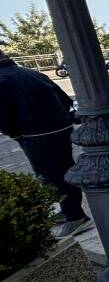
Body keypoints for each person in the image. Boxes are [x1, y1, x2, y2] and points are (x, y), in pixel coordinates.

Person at [0, 49, 90, 238]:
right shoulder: (31, 73)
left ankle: (75, 216)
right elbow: (64, 98)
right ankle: (70, 209)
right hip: (60, 127)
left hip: (34, 134)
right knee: (65, 169)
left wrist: (15, 134)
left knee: (51, 177)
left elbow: (3, 117)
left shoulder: (3, 80)